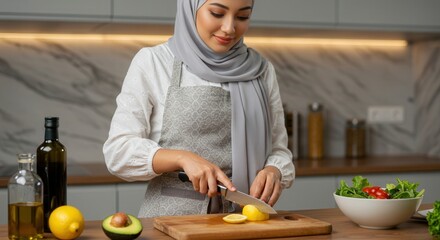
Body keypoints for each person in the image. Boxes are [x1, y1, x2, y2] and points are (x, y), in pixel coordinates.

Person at [103, 0, 295, 218]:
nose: (229, 28)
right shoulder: (155, 62)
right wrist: (182, 158)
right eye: (216, 13)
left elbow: (279, 150)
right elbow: (118, 153)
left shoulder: (261, 71)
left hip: (244, 220)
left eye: (242, 17)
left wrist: (274, 170)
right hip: (170, 224)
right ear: (191, 8)